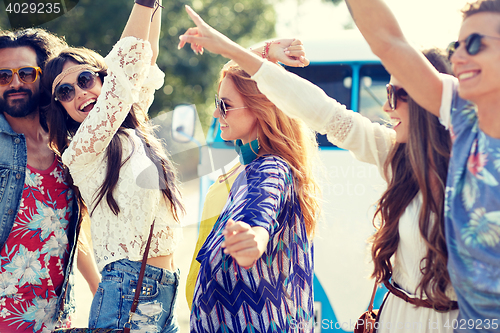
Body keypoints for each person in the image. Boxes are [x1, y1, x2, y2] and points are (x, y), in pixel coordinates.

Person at [179, 6, 461, 332]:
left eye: (397, 95)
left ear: (432, 98)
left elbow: (263, 204)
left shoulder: (476, 168)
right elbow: (326, 113)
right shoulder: (393, 154)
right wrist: (233, 49)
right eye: (386, 92)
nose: (385, 107)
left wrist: (255, 237)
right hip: (397, 319)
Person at [341, 0, 500, 330]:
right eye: (457, 46)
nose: (457, 58)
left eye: (474, 44)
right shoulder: (462, 112)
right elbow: (388, 41)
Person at [42, 1, 185, 331]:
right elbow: (124, 75)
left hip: (164, 290)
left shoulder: (128, 125)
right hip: (128, 292)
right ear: (60, 107)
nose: (80, 92)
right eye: (65, 91)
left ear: (102, 79)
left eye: (86, 78)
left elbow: (144, 60)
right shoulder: (79, 151)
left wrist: (154, 6)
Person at [180, 14, 320, 333]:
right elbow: (237, 79)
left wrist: (254, 237)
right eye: (217, 103)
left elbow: (261, 213)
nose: (216, 112)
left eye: (224, 106)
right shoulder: (246, 162)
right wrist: (265, 51)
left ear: (260, 110)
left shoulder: (269, 167)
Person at [0, 28, 99, 332]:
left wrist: (98, 290)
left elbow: (66, 228)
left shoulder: (67, 143)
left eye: (26, 73)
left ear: (44, 77)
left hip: (58, 317)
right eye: (3, 76)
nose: (15, 83)